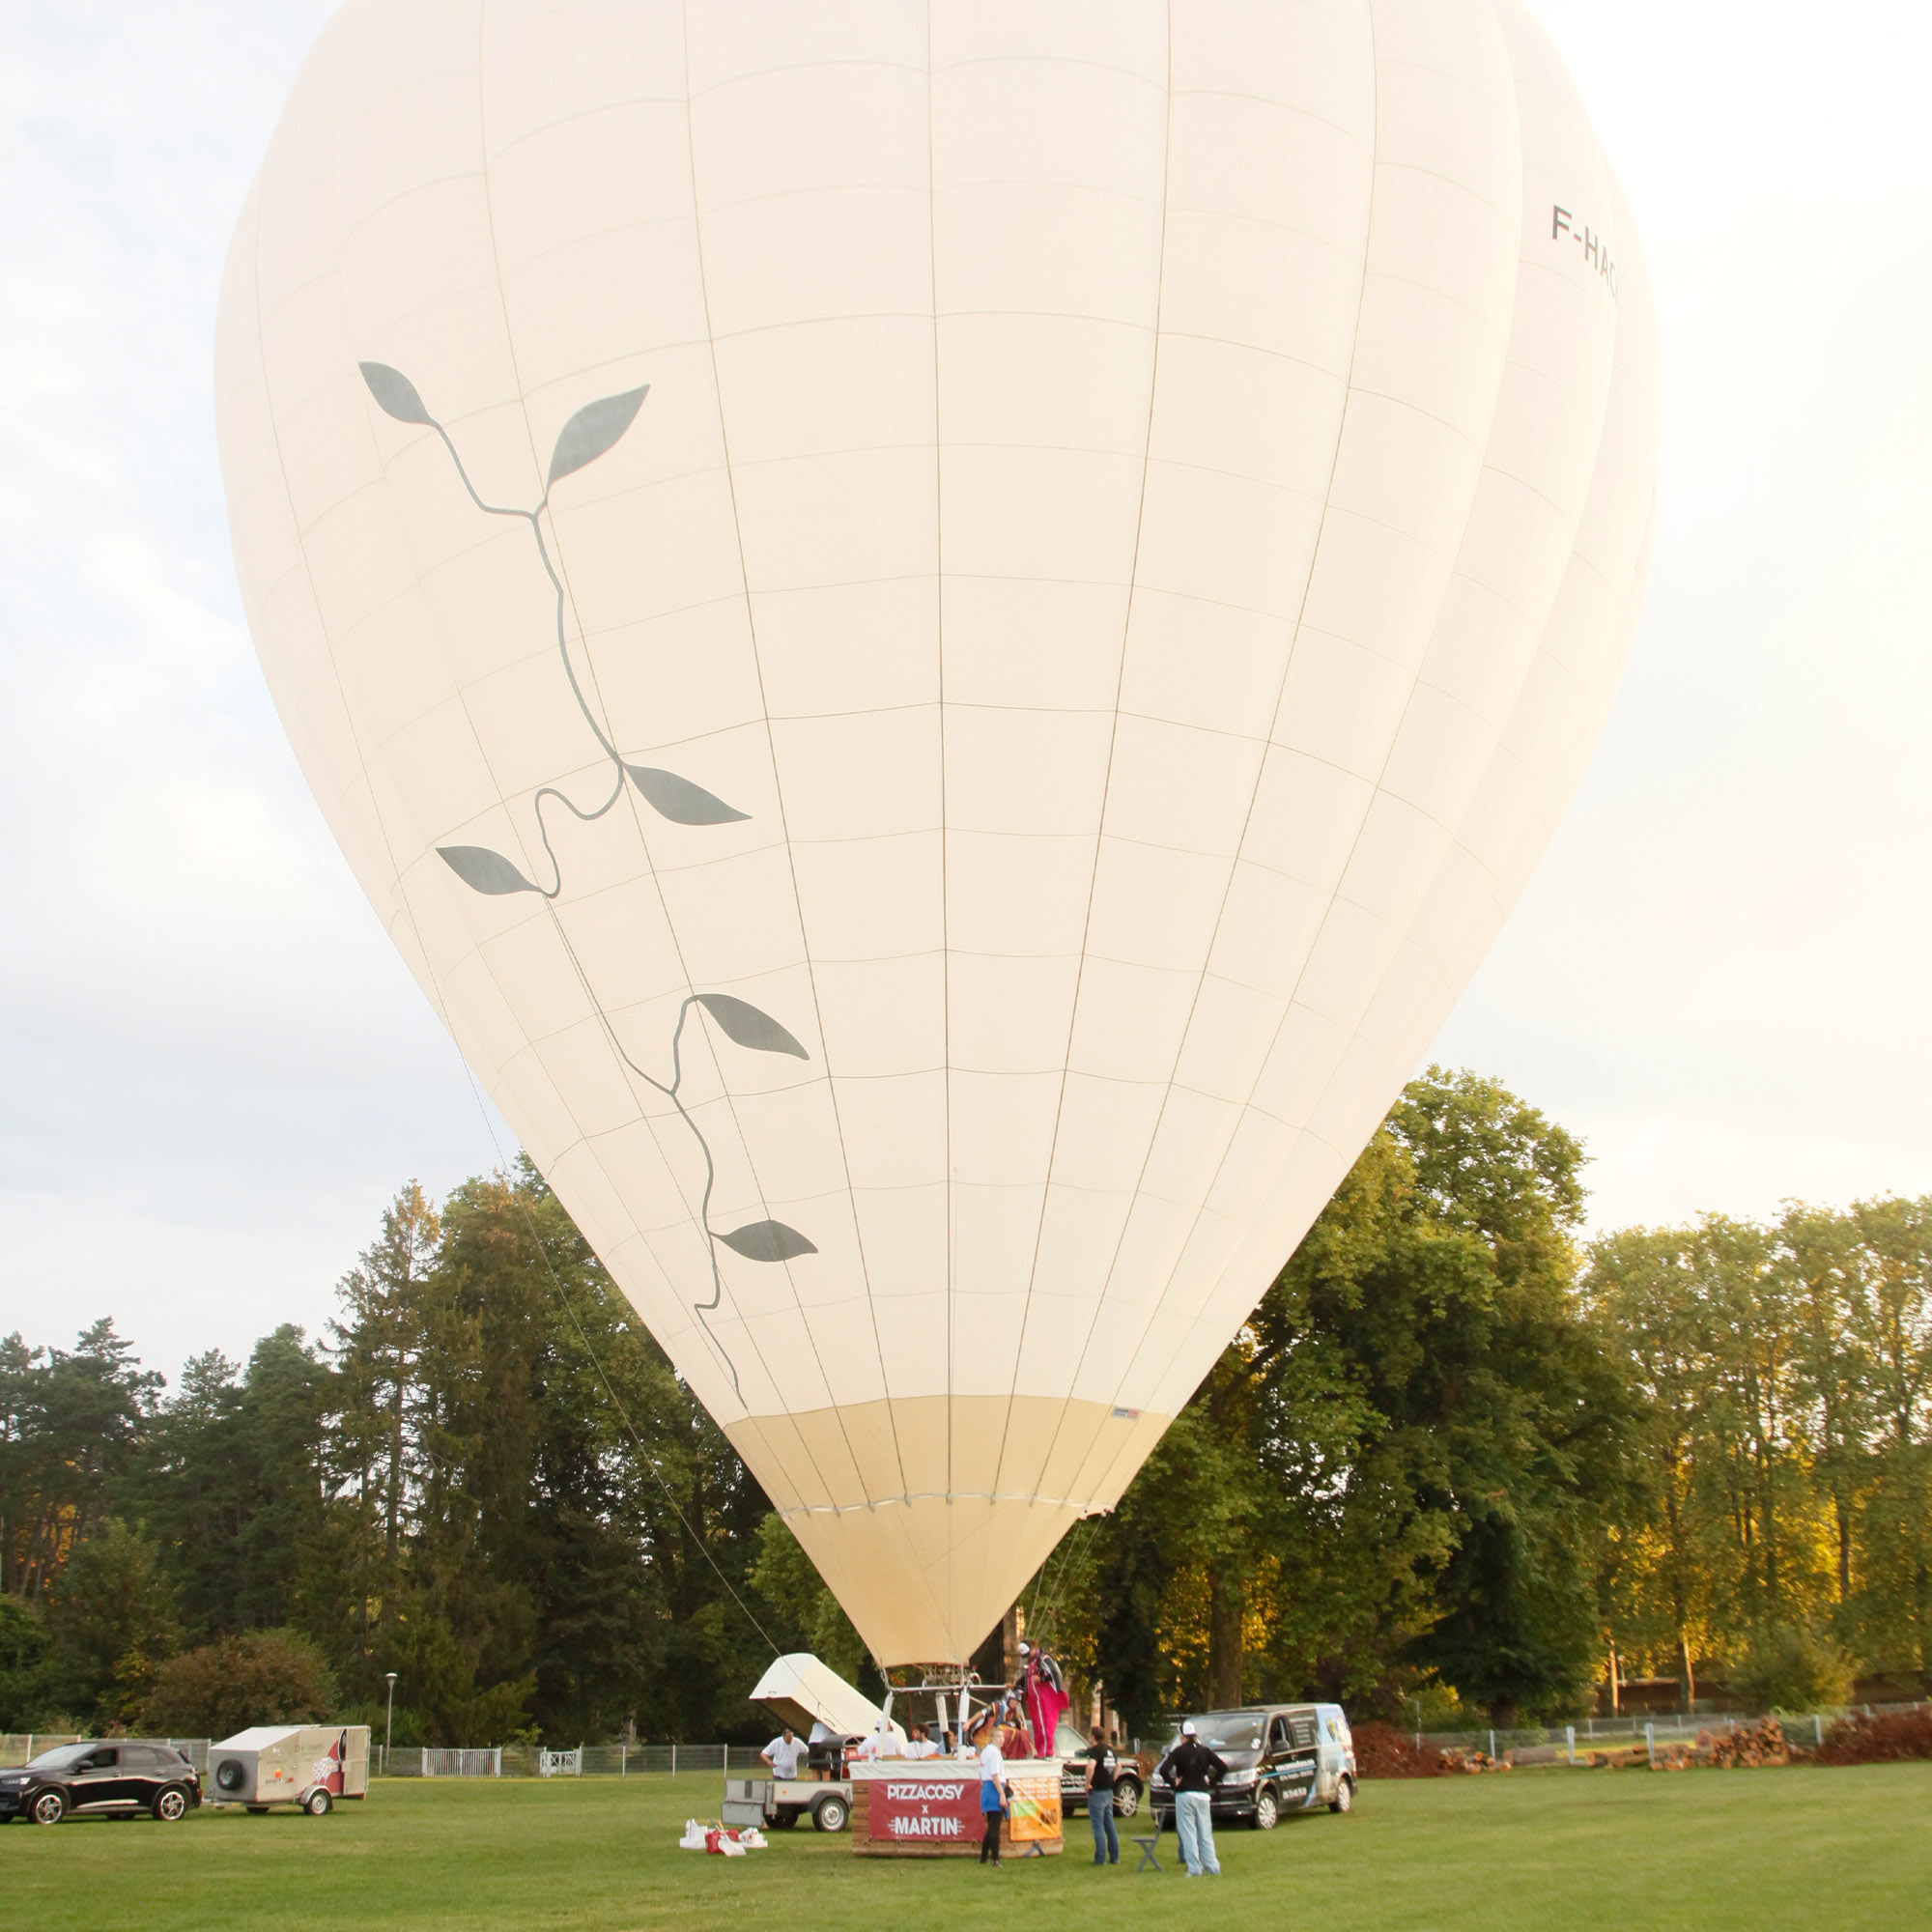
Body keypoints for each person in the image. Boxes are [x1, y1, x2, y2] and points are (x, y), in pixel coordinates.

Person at [1156, 1719, 1228, 1877]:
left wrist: (1174, 1785)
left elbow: (1163, 1770)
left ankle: (1194, 1868)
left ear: (1183, 1736)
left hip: (1185, 1794)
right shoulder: (1204, 1750)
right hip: (1203, 1795)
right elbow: (1223, 1767)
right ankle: (1212, 1866)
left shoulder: (1178, 1751)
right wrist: (1212, 1783)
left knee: (1188, 1833)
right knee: (1205, 1833)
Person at [1081, 1725, 1120, 1866]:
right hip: (1109, 1791)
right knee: (1109, 1824)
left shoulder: (1096, 1750)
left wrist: (1087, 1783)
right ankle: (1114, 1856)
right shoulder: (1110, 1750)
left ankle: (1100, 1858)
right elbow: (1118, 1766)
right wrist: (1112, 1778)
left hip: (1097, 1792)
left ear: (1093, 1736)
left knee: (1098, 1826)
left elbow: (1091, 1767)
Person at [978, 1731, 1011, 1867]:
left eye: (1003, 1736)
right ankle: (995, 1859)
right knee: (995, 1826)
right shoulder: (995, 1753)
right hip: (993, 1788)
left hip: (986, 1788)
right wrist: (1001, 1793)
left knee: (991, 1825)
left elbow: (981, 1776)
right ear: (992, 1738)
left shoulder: (984, 1752)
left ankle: (983, 1856)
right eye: (999, 1736)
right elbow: (994, 1775)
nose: (1002, 1739)